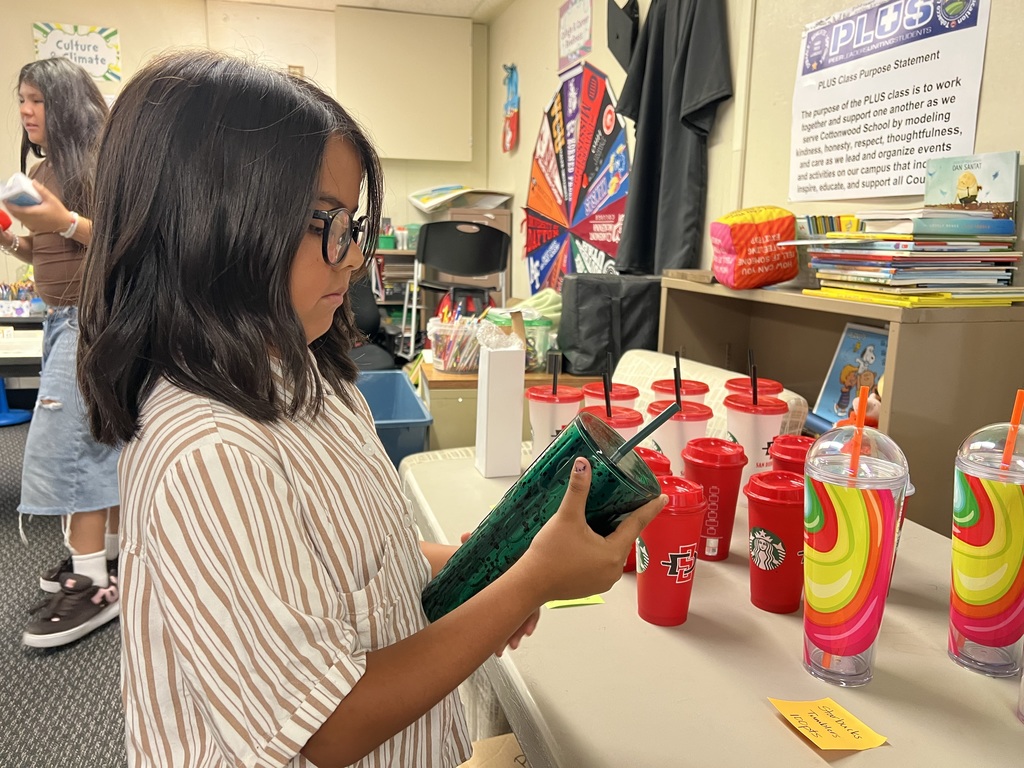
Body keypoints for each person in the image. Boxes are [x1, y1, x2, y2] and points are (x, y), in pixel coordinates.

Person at [77, 50, 665, 767]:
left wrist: (486, 569)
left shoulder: (310, 379)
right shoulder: (210, 454)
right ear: (213, 228)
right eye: (328, 224)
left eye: (352, 225)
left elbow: (350, 563)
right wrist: (530, 585)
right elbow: (328, 727)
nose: (353, 260)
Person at [0, 57, 121, 648]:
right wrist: (12, 238)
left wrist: (66, 220)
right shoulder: (46, 169)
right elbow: (46, 254)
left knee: (71, 448)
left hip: (92, 321)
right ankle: (112, 559)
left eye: (36, 100)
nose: (24, 112)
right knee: (99, 444)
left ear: (66, 104)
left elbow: (125, 242)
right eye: (21, 100)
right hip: (62, 319)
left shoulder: (99, 165)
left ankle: (92, 583)